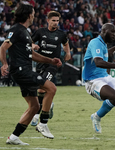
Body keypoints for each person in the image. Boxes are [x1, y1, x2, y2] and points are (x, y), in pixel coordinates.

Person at [0, 4, 62, 145]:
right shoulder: (16, 30)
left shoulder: (25, 32)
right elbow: (3, 47)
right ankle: (43, 123)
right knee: (51, 88)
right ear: (29, 15)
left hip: (25, 70)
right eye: (33, 13)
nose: (34, 15)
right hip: (22, 71)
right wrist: (4, 64)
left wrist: (51, 61)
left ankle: (14, 137)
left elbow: (32, 55)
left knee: (34, 106)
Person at [30, 11, 71, 128]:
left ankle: (37, 116)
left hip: (52, 65)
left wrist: (68, 53)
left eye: (57, 21)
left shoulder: (61, 34)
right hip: (41, 63)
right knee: (40, 89)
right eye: (53, 20)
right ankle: (49, 104)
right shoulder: (40, 32)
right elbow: (30, 43)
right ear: (48, 20)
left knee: (43, 88)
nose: (56, 23)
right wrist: (34, 46)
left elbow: (66, 44)